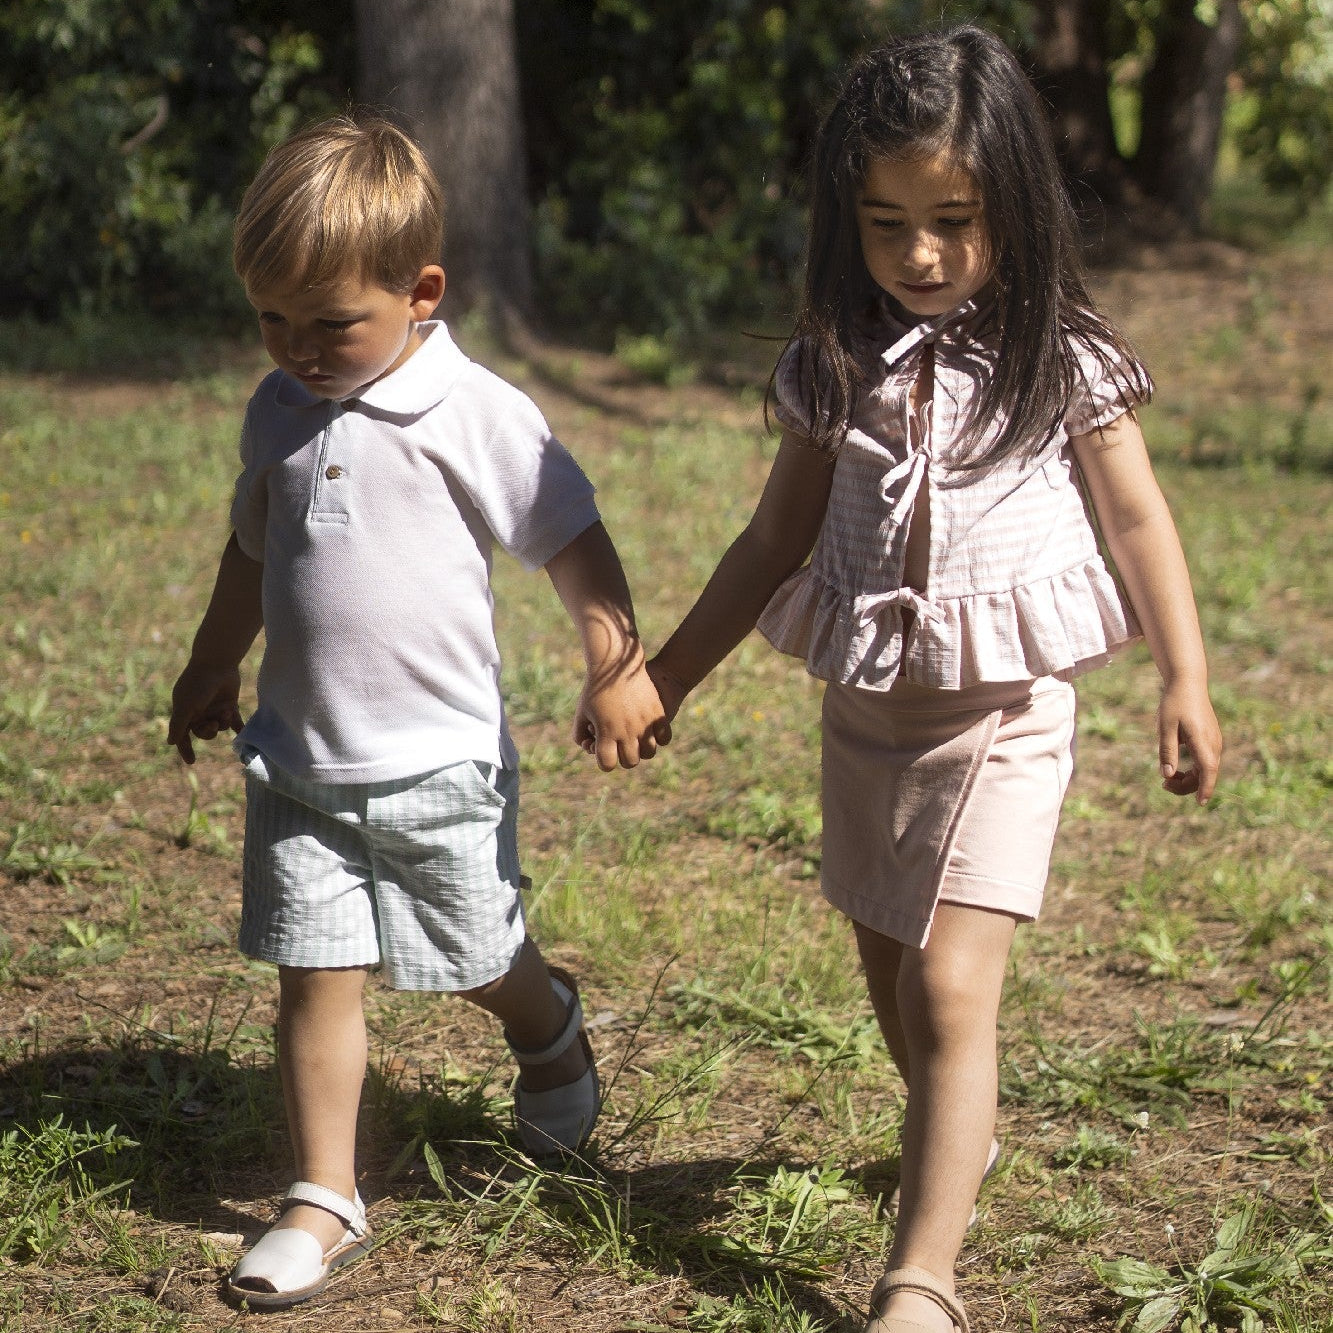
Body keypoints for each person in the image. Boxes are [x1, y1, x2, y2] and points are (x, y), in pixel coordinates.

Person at [646, 26, 1221, 1333]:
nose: (917, 255)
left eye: (952, 221)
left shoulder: (1060, 356)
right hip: (868, 717)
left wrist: (1183, 676)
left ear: (1012, 203)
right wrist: (665, 674)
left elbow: (1138, 522)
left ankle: (922, 1279)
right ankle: (951, 1131)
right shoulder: (829, 361)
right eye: (885, 222)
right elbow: (770, 540)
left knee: (951, 987)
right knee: (893, 972)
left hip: (1008, 713)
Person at [168, 114, 667, 1310]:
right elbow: (252, 553)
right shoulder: (278, 410)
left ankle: (546, 1022)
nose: (298, 348)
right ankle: (323, 1193)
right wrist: (208, 664)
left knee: (469, 956)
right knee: (315, 967)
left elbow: (570, 537)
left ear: (421, 292)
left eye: (330, 321)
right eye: (272, 320)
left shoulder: (472, 411)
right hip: (297, 761)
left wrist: (613, 662)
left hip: (439, 761)